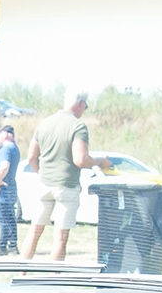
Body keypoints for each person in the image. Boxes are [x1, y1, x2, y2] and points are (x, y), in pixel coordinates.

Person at [22, 89, 111, 260]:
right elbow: (81, 160)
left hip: (44, 185)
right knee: (60, 238)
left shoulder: (44, 124)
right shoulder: (78, 126)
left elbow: (31, 157)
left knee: (34, 232)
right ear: (80, 104)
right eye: (85, 106)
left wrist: (42, 173)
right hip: (66, 186)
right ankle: (54, 280)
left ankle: (21, 273)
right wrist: (101, 162)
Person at [0, 125, 21, 255]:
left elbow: (4, 166)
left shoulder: (7, 149)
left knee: (3, 219)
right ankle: (12, 245)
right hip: (10, 188)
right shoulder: (11, 148)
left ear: (7, 134)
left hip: (4, 189)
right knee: (10, 218)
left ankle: (2, 246)